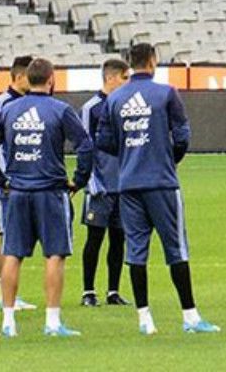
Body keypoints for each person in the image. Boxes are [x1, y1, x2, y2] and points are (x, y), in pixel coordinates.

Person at [95, 41, 219, 335]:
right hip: (161, 182)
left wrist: (128, 155)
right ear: (152, 61)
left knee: (136, 250)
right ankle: (189, 316)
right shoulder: (166, 93)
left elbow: (103, 140)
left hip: (129, 184)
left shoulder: (114, 99)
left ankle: (144, 318)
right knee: (175, 247)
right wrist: (168, 158)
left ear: (129, 63)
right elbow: (183, 135)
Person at [0, 57, 92, 338]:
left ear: (27, 79)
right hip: (51, 191)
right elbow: (86, 147)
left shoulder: (9, 110)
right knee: (54, 254)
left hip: (17, 191)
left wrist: (0, 180)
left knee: (13, 254)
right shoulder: (60, 110)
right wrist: (78, 181)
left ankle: (8, 321)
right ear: (51, 79)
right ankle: (52, 322)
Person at [0, 55, 36, 313]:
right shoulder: (2, 104)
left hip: (26, 181)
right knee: (7, 236)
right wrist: (4, 179)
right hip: (8, 183)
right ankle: (4, 295)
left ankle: (10, 294)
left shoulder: (29, 102)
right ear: (18, 77)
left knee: (16, 238)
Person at [79, 58, 130, 307]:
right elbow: (85, 146)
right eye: (124, 77)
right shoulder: (92, 108)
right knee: (95, 238)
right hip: (100, 185)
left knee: (119, 238)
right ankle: (88, 291)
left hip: (123, 184)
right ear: (111, 78)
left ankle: (113, 291)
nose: (127, 82)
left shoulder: (125, 106)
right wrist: (91, 180)